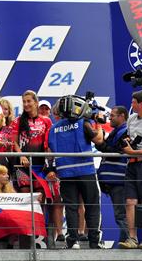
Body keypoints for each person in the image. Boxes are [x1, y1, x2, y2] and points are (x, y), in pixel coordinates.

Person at [47, 94, 104, 249]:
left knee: (71, 208)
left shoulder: (54, 128)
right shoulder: (83, 123)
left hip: (65, 174)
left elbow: (49, 152)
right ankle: (94, 241)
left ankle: (72, 241)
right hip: (85, 171)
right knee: (92, 206)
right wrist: (98, 124)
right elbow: (98, 140)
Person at [96, 106, 130, 244]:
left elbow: (117, 151)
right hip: (112, 179)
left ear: (122, 116)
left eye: (113, 115)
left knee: (121, 214)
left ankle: (127, 241)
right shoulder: (117, 131)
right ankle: (126, 240)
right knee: (120, 214)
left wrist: (100, 143)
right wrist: (100, 142)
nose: (110, 118)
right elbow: (107, 148)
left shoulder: (125, 130)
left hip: (119, 179)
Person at [119, 90, 142, 249]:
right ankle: (132, 238)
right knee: (130, 201)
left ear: (141, 104)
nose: (131, 105)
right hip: (131, 164)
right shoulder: (131, 118)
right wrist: (127, 144)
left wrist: (133, 152)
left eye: (133, 102)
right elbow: (128, 138)